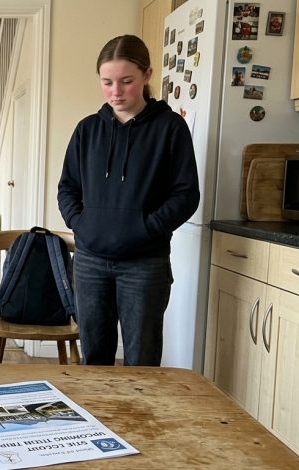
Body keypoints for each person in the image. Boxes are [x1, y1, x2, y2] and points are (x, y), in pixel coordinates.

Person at [57, 34, 199, 367]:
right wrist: (83, 225)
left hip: (144, 265)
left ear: (147, 75)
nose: (116, 92)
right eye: (107, 82)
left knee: (143, 360)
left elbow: (186, 194)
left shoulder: (170, 128)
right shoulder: (87, 130)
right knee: (95, 359)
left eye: (126, 81)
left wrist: (148, 228)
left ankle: (139, 420)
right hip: (90, 262)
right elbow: (67, 188)